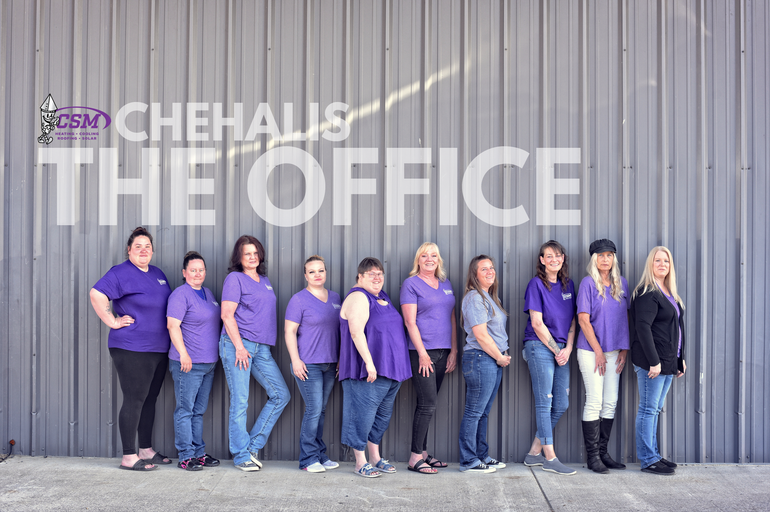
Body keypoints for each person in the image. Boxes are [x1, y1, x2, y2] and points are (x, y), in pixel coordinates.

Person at [89, 227, 172, 471]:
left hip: (158, 349)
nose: (143, 250)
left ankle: (145, 449)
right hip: (131, 347)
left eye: (147, 246)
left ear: (153, 250)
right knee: (135, 399)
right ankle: (128, 455)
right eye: (138, 246)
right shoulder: (121, 272)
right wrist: (113, 321)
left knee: (150, 399)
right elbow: (97, 294)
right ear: (129, 250)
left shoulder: (158, 273)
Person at [219, 235, 290, 472]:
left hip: (262, 349)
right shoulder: (234, 278)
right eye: (247, 253)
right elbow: (227, 315)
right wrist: (239, 346)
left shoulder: (265, 280)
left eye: (255, 253)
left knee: (281, 395)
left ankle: (251, 447)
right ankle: (240, 456)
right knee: (240, 401)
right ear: (239, 257)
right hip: (238, 345)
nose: (252, 257)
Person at [339, 257, 411, 478]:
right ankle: (360, 462)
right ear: (360, 277)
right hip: (368, 370)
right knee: (362, 415)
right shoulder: (359, 296)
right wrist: (370, 363)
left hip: (391, 369)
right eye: (371, 274)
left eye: (380, 273)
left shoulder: (381, 296)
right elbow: (356, 332)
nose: (377, 277)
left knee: (381, 416)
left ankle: (375, 457)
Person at [401, 243, 457, 475]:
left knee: (427, 405)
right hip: (422, 353)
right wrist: (422, 353)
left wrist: (454, 350)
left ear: (439, 260)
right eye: (424, 256)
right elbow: (409, 322)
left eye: (434, 255)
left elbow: (452, 318)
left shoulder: (446, 284)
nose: (429, 259)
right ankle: (415, 457)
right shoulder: (411, 284)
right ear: (418, 260)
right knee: (427, 404)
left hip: (444, 352)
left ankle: (423, 453)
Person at [522, 240, 577, 476]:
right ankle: (550, 457)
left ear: (563, 258)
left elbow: (574, 322)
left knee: (561, 403)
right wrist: (557, 350)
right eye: (548, 256)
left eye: (558, 255)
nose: (554, 259)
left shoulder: (569, 285)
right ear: (542, 260)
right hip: (539, 346)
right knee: (545, 401)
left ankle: (533, 453)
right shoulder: (536, 284)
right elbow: (537, 323)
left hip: (562, 349)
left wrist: (568, 349)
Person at [631, 246, 686, 476]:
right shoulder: (647, 291)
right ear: (650, 265)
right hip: (651, 361)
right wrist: (654, 361)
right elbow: (643, 328)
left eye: (666, 260)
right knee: (648, 409)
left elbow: (678, 329)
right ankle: (648, 459)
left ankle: (653, 455)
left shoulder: (669, 293)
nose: (662, 264)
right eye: (657, 260)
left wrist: (680, 359)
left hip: (667, 360)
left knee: (654, 409)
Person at [576, 239, 630, 474]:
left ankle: (603, 453)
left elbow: (626, 320)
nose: (605, 259)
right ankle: (593, 457)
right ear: (594, 259)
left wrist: (624, 349)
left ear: (614, 259)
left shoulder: (622, 284)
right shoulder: (588, 283)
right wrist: (598, 350)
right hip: (591, 351)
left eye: (609, 255)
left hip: (614, 352)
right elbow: (583, 320)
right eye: (600, 255)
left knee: (610, 402)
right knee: (595, 400)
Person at [284, 255, 342, 473]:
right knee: (314, 409)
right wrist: (295, 360)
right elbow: (289, 332)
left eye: (321, 270)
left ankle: (319, 455)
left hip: (330, 364)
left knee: (322, 410)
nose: (317, 275)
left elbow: (341, 331)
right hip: (308, 364)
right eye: (312, 271)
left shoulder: (336, 297)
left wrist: (340, 360)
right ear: (305, 275)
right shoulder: (298, 300)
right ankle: (308, 460)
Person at [167, 251, 221, 471]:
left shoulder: (207, 293)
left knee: (198, 411)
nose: (197, 273)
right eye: (193, 270)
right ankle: (185, 455)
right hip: (188, 364)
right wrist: (183, 354)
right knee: (185, 410)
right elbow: (173, 325)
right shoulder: (180, 295)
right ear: (184, 272)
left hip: (209, 364)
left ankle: (199, 453)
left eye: (201, 270)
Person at [458, 255, 510, 474]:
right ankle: (468, 460)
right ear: (474, 274)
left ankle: (481, 455)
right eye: (484, 269)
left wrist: (499, 356)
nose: (490, 272)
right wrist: (499, 356)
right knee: (474, 411)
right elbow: (481, 335)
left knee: (483, 412)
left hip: (491, 360)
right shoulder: (474, 298)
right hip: (481, 359)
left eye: (492, 268)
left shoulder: (489, 297)